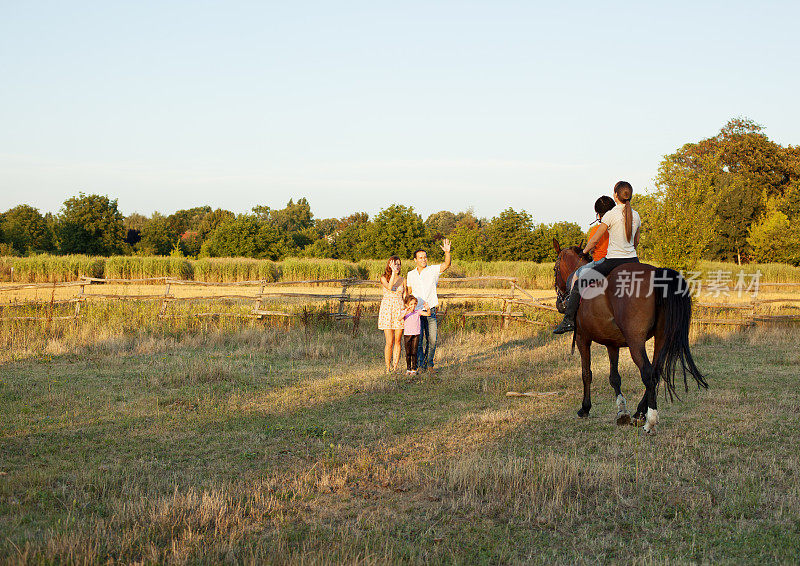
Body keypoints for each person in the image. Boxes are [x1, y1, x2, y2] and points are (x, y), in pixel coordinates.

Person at [553, 182, 641, 334]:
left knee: (580, 284)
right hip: (633, 260)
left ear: (616, 195)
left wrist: (584, 252)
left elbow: (594, 240)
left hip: (613, 261)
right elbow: (636, 242)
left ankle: (568, 321)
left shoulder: (610, 215)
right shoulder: (636, 215)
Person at [406, 239, 451, 372]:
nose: (423, 259)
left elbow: (446, 265)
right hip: (417, 311)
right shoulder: (411, 274)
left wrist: (447, 252)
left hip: (430, 309)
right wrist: (409, 307)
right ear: (415, 260)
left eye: (425, 257)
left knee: (432, 340)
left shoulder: (432, 270)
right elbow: (409, 292)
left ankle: (429, 364)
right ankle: (421, 365)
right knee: (418, 342)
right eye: (420, 257)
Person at [377, 255, 406, 372]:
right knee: (389, 341)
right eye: (395, 264)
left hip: (399, 310)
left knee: (398, 340)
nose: (397, 266)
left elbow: (405, 296)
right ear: (390, 265)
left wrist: (407, 309)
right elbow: (389, 287)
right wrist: (393, 273)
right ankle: (387, 367)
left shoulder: (403, 280)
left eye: (399, 264)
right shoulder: (384, 278)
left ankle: (395, 367)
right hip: (387, 310)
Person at [401, 295, 430, 375]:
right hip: (407, 335)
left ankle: (414, 369)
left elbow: (428, 314)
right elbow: (399, 318)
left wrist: (427, 308)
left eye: (414, 304)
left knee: (414, 352)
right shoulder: (405, 312)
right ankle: (408, 369)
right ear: (407, 305)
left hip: (416, 334)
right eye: (411, 304)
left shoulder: (418, 312)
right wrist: (406, 312)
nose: (413, 306)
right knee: (408, 353)